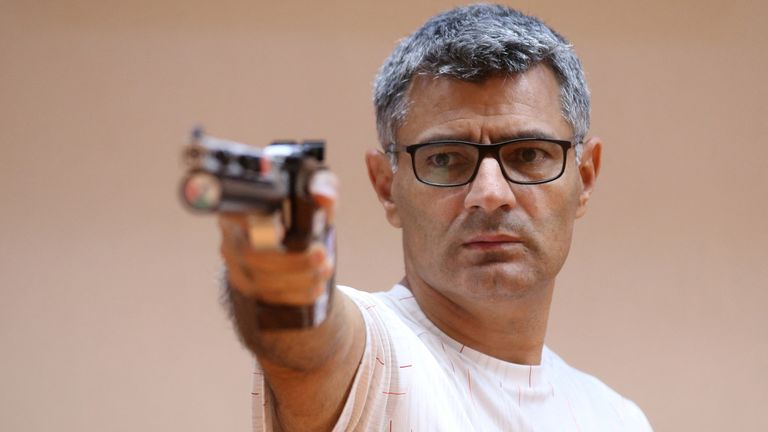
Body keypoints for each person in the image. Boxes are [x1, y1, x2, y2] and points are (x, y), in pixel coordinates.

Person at [219, 4, 653, 431]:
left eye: (528, 155)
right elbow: (308, 344)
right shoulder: (378, 357)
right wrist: (280, 278)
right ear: (386, 185)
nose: (490, 194)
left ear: (586, 176)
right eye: (446, 158)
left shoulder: (617, 418)